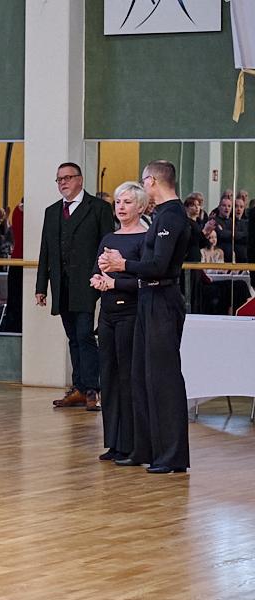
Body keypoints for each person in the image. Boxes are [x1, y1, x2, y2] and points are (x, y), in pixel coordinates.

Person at [98, 160, 190, 474]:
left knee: (163, 379)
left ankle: (172, 454)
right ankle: (144, 447)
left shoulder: (172, 215)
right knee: (141, 377)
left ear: (151, 182)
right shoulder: (163, 215)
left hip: (163, 299)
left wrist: (122, 264)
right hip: (148, 297)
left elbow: (158, 265)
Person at [35, 162, 115, 410]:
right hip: (62, 283)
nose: (63, 183)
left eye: (68, 178)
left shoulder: (98, 208)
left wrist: (102, 276)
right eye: (59, 179)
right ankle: (80, 387)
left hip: (88, 282)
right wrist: (41, 286)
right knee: (72, 336)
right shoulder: (52, 211)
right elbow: (45, 251)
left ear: (80, 179)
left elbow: (107, 245)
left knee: (84, 334)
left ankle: (92, 388)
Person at [90, 182, 148, 463]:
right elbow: (96, 271)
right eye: (117, 202)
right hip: (108, 314)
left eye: (126, 202)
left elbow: (146, 279)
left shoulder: (145, 239)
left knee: (127, 377)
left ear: (140, 206)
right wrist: (97, 280)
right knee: (109, 378)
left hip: (131, 314)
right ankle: (113, 441)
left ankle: (131, 443)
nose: (121, 207)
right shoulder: (108, 238)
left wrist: (114, 282)